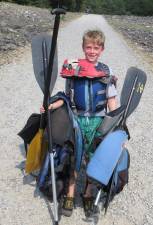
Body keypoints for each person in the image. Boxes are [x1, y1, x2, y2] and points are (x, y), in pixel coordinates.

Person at [40, 30, 117, 217]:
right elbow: (66, 98)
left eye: (96, 48)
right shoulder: (74, 70)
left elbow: (112, 100)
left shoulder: (106, 72)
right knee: (74, 157)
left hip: (98, 121)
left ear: (102, 49)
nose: (92, 51)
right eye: (88, 47)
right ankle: (70, 192)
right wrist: (52, 105)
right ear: (83, 48)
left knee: (94, 159)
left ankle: (88, 193)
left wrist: (115, 123)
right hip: (77, 120)